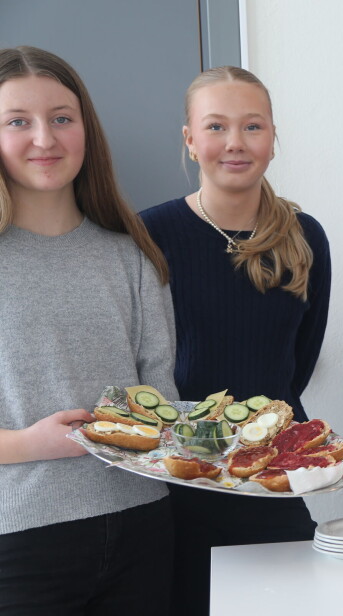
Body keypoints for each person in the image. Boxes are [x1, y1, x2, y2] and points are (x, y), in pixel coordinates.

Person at [140, 66, 331, 616]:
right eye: (216, 126)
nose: (235, 142)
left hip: (272, 476)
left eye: (252, 126)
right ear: (189, 139)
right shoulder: (149, 235)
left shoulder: (305, 236)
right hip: (178, 482)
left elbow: (298, 364)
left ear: (273, 136)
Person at [0, 46, 177, 615]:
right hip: (20, 539)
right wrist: (29, 444)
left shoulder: (132, 256)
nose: (44, 139)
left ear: (86, 130)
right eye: (17, 121)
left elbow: (162, 399)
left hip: (142, 525)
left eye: (61, 118)